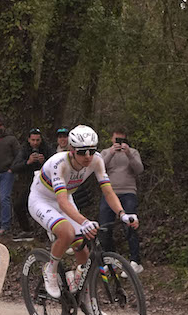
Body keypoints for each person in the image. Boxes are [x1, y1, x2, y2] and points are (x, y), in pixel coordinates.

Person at [28, 125, 139, 299]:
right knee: (67, 232)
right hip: (42, 200)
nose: (87, 156)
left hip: (65, 199)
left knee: (83, 252)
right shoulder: (59, 163)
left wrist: (123, 214)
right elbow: (62, 202)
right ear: (71, 150)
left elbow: (108, 191)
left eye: (91, 151)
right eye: (82, 152)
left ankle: (84, 298)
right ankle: (50, 269)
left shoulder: (97, 160)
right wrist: (84, 222)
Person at [99, 128, 145, 273]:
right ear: (111, 139)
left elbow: (139, 169)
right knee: (105, 227)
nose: (119, 143)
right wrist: (112, 152)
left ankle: (135, 261)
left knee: (130, 224)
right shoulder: (105, 153)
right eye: (116, 140)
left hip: (128, 193)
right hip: (109, 193)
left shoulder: (133, 152)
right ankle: (110, 260)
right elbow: (99, 168)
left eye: (122, 140)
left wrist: (129, 153)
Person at [10, 128, 54, 241]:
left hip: (47, 184)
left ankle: (49, 233)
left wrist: (44, 162)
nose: (35, 143)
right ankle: (26, 230)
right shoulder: (24, 149)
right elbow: (15, 167)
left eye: (37, 140)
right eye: (33, 140)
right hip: (31, 183)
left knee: (48, 207)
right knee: (19, 205)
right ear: (29, 140)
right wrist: (28, 162)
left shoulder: (47, 148)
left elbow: (56, 164)